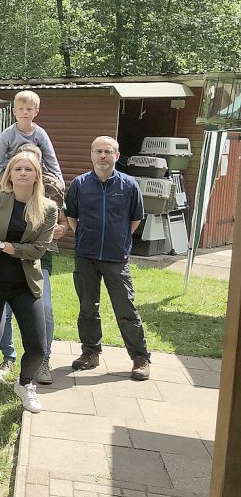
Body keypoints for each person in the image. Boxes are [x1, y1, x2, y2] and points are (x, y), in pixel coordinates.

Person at [0, 150, 57, 428]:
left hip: (24, 284)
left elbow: (38, 250)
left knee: (38, 346)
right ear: (10, 174)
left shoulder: (48, 208)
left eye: (28, 169)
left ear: (36, 175)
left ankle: (25, 383)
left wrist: (0, 244)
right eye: (18, 169)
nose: (23, 174)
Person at [65, 136, 151, 381]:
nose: (103, 156)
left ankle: (140, 358)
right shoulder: (80, 184)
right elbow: (72, 216)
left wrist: (120, 239)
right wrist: (84, 237)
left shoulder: (129, 185)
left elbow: (135, 218)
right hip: (86, 257)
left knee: (126, 308)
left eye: (108, 151)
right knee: (88, 308)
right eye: (98, 151)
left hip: (116, 258)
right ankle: (90, 353)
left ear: (117, 154)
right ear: (91, 155)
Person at [0, 143, 68, 385]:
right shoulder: (2, 192)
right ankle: (8, 357)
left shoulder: (52, 190)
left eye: (32, 163)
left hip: (39, 259)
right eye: (20, 165)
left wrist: (59, 230)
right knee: (2, 311)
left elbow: (63, 222)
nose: (25, 170)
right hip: (4, 260)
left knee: (44, 307)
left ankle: (43, 359)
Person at [0, 90, 65, 190]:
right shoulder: (7, 134)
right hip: (12, 171)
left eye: (29, 109)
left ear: (36, 112)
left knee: (54, 188)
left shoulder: (41, 134)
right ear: (14, 111)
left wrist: (59, 181)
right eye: (21, 109)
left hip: (35, 171)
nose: (24, 112)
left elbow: (51, 160)